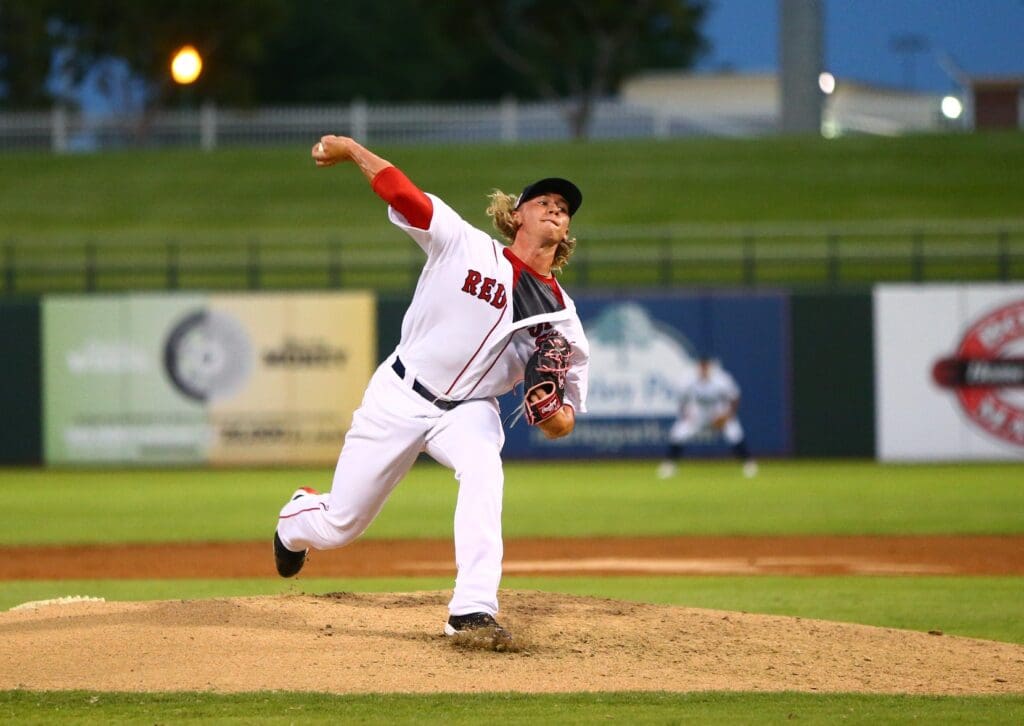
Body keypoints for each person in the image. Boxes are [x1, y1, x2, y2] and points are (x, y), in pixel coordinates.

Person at [274, 134, 590, 647]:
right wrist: (353, 150)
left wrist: (551, 412)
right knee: (341, 525)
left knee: (484, 467)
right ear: (516, 216)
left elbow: (564, 420)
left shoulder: (560, 316)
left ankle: (471, 609)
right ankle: (294, 518)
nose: (556, 208)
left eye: (564, 208)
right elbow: (404, 195)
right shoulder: (462, 243)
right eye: (544, 202)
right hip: (399, 394)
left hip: (468, 410)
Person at [657, 355, 757, 479]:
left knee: (734, 433)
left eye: (706, 367)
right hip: (698, 413)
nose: (703, 370)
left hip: (719, 412)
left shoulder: (721, 378)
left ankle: (748, 464)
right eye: (701, 367)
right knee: (678, 432)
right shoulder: (689, 378)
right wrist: (685, 413)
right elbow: (682, 398)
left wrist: (728, 415)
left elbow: (735, 397)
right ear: (698, 367)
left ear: (710, 368)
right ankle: (669, 465)